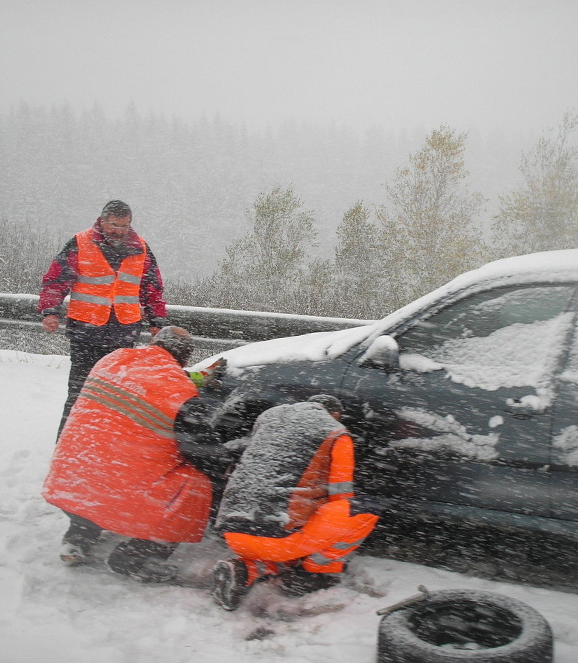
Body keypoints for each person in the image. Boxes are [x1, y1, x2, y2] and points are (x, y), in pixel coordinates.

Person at [42, 326, 232, 583]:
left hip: (71, 478)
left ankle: (78, 538)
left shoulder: (113, 360)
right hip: (118, 489)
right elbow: (207, 455)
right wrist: (228, 467)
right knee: (197, 485)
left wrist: (193, 377)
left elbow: (148, 379)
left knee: (96, 470)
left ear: (153, 341)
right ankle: (137, 557)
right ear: (185, 357)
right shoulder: (180, 393)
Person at [210, 395, 380, 610]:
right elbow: (340, 494)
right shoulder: (336, 432)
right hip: (280, 539)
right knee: (362, 510)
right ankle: (313, 573)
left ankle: (246, 569)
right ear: (335, 414)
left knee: (285, 520)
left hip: (234, 534)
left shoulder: (269, 420)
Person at [38, 199, 168, 436]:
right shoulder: (80, 243)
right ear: (102, 221)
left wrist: (156, 323)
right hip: (86, 332)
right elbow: (55, 281)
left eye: (124, 226)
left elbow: (152, 289)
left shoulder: (141, 249)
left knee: (115, 396)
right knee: (79, 394)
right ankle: (69, 444)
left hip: (123, 333)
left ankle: (103, 444)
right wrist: (50, 311)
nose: (118, 231)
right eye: (113, 225)